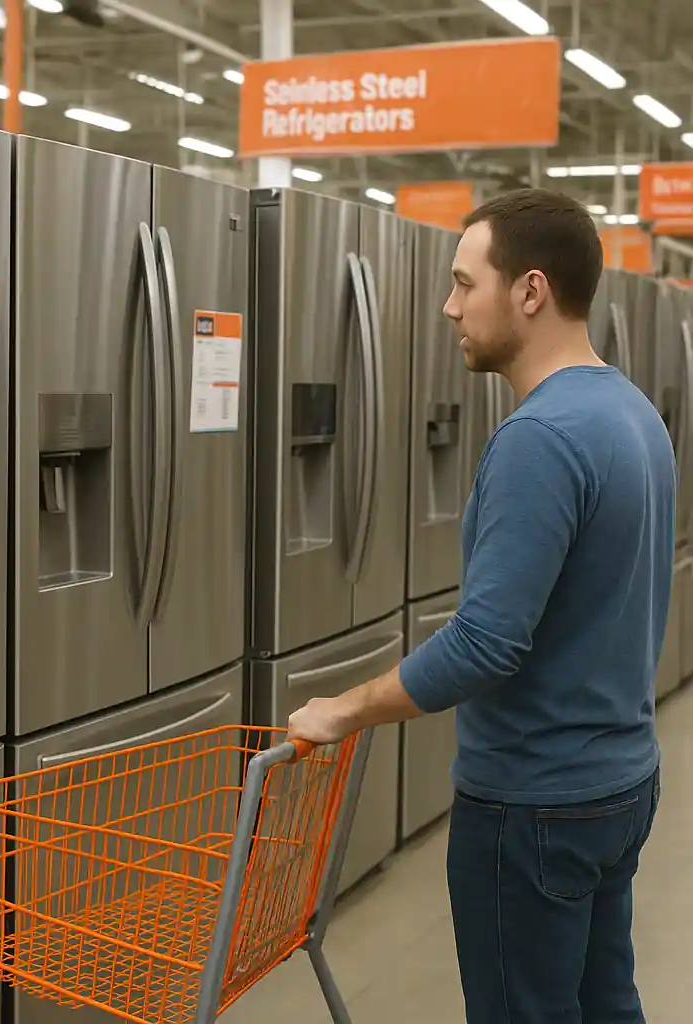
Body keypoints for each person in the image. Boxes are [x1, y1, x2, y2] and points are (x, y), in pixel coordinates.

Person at [287, 189, 674, 1023]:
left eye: (467, 284)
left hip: (534, 805)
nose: (449, 305)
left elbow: (484, 645)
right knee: (608, 1005)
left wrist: (344, 710)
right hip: (619, 781)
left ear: (529, 292)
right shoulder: (634, 414)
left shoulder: (540, 438)